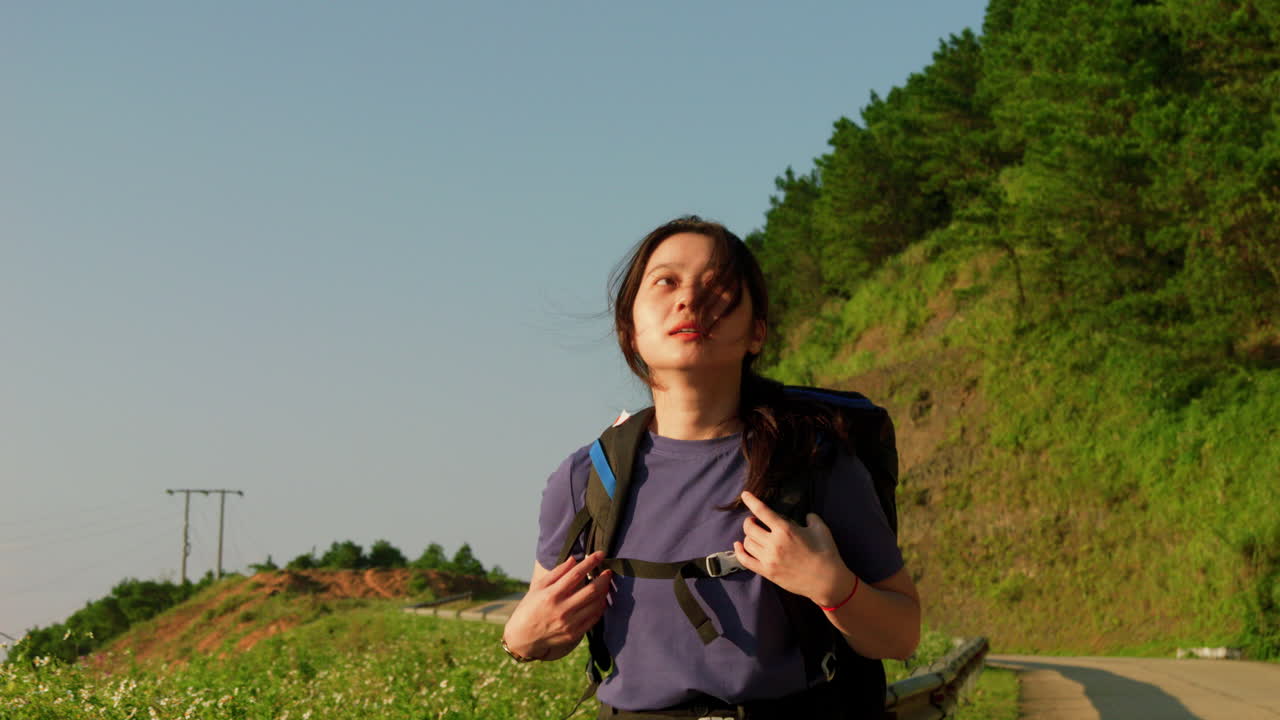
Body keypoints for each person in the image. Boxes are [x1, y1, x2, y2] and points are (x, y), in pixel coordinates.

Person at [502, 216, 920, 718]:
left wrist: (829, 586)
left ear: (756, 333)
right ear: (629, 330)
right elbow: (539, 632)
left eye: (719, 285)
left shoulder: (814, 461)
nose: (690, 300)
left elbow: (902, 633)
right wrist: (519, 638)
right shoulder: (585, 480)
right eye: (666, 282)